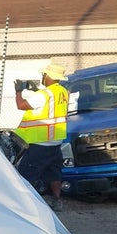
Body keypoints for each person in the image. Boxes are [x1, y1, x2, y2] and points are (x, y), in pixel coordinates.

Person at [14, 62, 70, 212]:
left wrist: (18, 92)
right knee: (54, 173)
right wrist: (37, 89)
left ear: (48, 76)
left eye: (44, 75)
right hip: (56, 141)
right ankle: (57, 201)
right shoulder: (63, 92)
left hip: (40, 143)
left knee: (26, 174)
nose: (42, 77)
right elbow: (49, 103)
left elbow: (21, 105)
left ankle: (24, 204)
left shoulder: (43, 95)